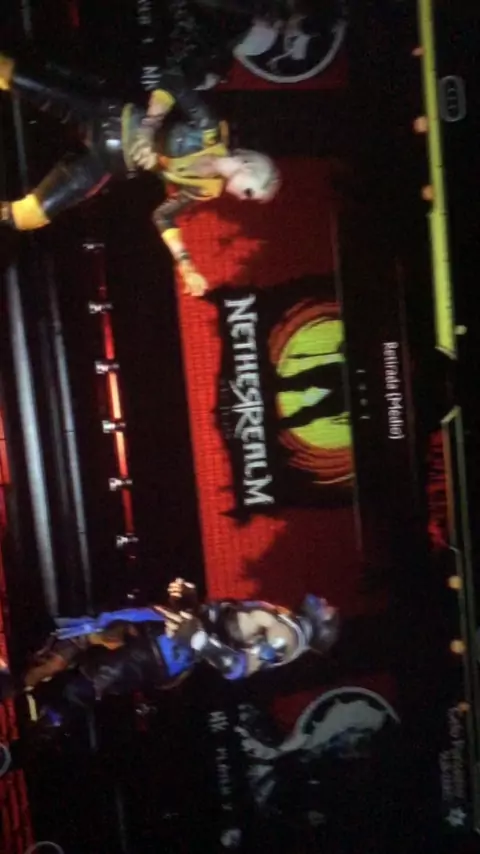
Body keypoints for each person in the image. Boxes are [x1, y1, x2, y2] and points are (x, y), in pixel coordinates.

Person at [0, 53, 280, 296]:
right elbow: (172, 81)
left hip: (108, 162)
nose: (244, 198)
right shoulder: (210, 130)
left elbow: (163, 216)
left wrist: (185, 264)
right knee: (17, 77)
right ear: (248, 167)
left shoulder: (208, 189)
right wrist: (148, 130)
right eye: (250, 192)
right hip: (106, 117)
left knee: (28, 216)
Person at [0, 579, 339, 731]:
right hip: (168, 627)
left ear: (321, 629)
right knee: (91, 630)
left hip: (169, 651)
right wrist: (192, 601)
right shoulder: (283, 621)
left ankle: (33, 736)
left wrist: (197, 638)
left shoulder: (285, 639)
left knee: (94, 678)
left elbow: (236, 668)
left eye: (328, 611)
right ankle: (16, 684)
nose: (325, 603)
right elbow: (221, 622)